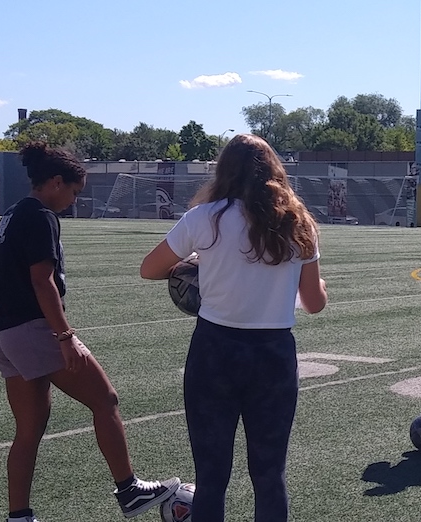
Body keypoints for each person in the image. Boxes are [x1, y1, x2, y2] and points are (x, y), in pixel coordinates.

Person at [139, 134, 328, 522]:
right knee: (270, 476)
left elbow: (149, 269)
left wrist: (197, 262)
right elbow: (314, 303)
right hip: (274, 354)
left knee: (211, 478)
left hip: (214, 350)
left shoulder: (204, 218)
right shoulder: (299, 223)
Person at [0, 143, 178, 522]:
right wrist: (64, 336)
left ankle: (19, 516)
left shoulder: (11, 213)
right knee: (105, 401)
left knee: (28, 430)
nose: (74, 200)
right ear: (56, 182)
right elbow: (42, 282)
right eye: (73, 192)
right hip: (33, 328)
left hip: (3, 331)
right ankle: (129, 491)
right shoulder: (41, 215)